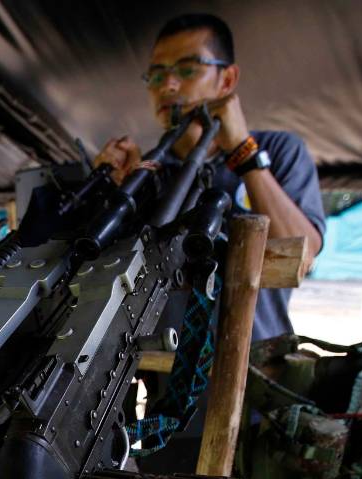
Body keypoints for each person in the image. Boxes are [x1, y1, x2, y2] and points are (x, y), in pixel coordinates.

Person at [95, 12, 325, 341]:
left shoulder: (277, 150)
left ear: (227, 81)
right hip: (166, 373)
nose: (168, 86)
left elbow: (301, 252)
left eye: (187, 70)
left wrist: (244, 154)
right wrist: (120, 187)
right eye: (157, 75)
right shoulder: (150, 170)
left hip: (257, 366)